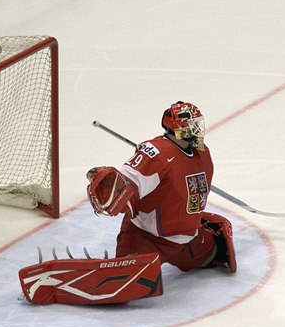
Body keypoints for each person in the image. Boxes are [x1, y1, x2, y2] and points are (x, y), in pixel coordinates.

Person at [86, 101, 236, 275]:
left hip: (188, 239)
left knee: (216, 253)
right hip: (146, 239)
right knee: (126, 279)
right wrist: (113, 185)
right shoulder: (156, 154)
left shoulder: (202, 152)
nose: (198, 130)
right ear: (180, 127)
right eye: (193, 125)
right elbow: (130, 179)